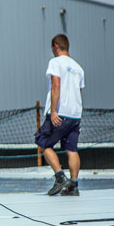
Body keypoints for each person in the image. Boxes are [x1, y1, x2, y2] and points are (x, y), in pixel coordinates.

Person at [36, 34, 85, 196]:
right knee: (71, 148)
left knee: (43, 142)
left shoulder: (55, 63)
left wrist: (54, 111)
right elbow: (79, 91)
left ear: (56, 46)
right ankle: (74, 186)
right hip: (75, 114)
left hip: (60, 112)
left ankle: (59, 176)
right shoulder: (78, 67)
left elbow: (56, 86)